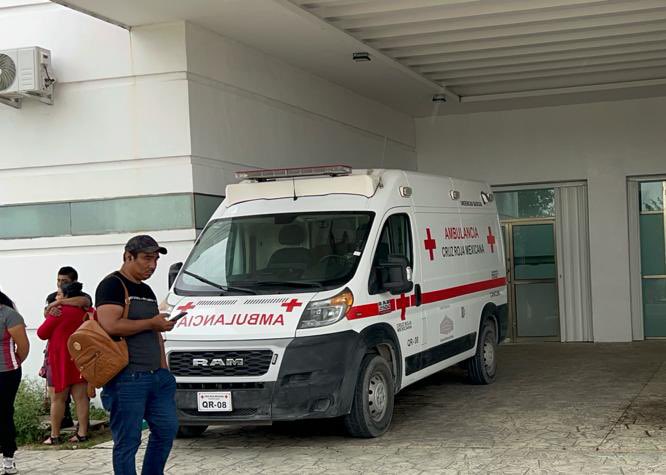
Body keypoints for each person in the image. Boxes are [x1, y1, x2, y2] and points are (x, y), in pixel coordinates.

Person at [97, 235, 178, 475]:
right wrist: (151, 323)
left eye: (155, 259)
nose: (152, 265)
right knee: (128, 442)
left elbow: (155, 332)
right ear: (127, 256)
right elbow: (111, 325)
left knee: (166, 430)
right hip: (127, 378)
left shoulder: (147, 290)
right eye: (146, 258)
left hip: (157, 377)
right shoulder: (112, 285)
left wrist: (165, 370)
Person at [37, 281, 91, 445]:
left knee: (57, 400)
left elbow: (41, 333)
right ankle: (82, 433)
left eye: (59, 293)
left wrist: (49, 313)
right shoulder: (86, 310)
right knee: (81, 398)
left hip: (59, 359)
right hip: (80, 357)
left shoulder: (58, 311)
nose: (57, 296)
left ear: (67, 295)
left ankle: (55, 435)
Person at [0, 290, 29, 475]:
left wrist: (14, 362)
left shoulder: (9, 315)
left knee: (3, 413)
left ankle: (8, 457)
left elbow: (23, 347)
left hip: (6, 373)